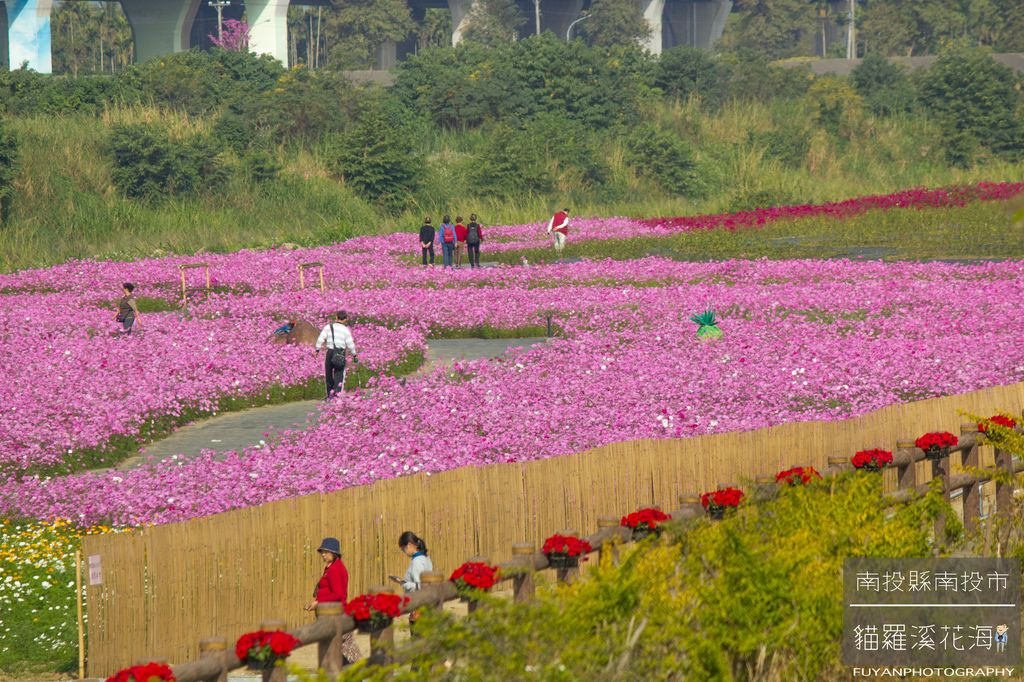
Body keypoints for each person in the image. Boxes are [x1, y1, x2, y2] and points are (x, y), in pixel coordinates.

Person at [304, 537, 361, 663]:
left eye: (326, 551)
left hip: (337, 615)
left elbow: (339, 594)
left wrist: (318, 602)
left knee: (344, 652)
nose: (323, 554)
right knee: (342, 650)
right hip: (332, 615)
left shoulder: (335, 569)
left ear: (334, 553)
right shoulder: (331, 568)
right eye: (322, 552)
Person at [315, 311, 357, 399]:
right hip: (340, 353)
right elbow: (350, 344)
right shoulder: (346, 330)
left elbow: (320, 338)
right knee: (339, 374)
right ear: (346, 319)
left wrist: (317, 349)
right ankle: (337, 395)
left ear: (336, 317)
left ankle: (330, 395)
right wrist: (354, 355)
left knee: (328, 373)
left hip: (330, 352)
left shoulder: (328, 327)